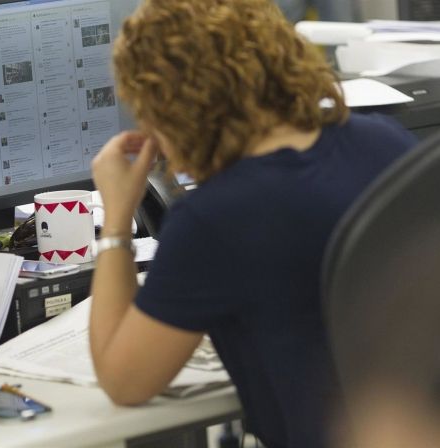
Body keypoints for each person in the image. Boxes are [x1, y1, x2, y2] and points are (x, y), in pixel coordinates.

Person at [89, 1, 417, 447]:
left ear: (169, 107)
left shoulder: (213, 220)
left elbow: (124, 381)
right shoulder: (388, 143)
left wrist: (116, 217)